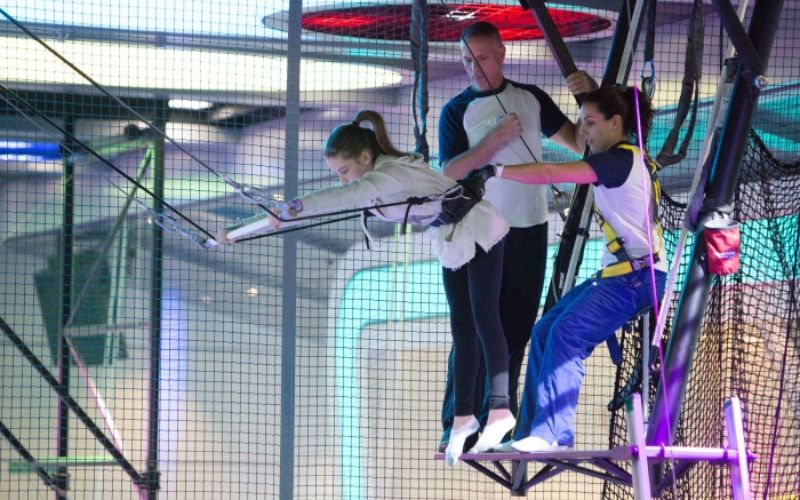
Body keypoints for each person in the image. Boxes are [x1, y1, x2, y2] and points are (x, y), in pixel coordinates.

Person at [217, 110, 515, 466]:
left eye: (344, 172)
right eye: (337, 175)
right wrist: (246, 228)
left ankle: (500, 410)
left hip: (480, 229)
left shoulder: (387, 175)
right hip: (452, 238)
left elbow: (336, 199)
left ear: (364, 158)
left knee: (484, 318)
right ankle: (463, 418)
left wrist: (289, 210)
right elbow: (345, 196)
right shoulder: (378, 179)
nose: (343, 181)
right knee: (463, 330)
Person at [436, 20, 592, 452]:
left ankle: (500, 420)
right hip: (482, 233)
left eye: (482, 58)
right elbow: (449, 171)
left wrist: (588, 96)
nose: (475, 68)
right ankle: (459, 421)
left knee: (517, 327)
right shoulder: (457, 110)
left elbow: (582, 144)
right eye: (467, 60)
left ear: (501, 54)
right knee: (473, 326)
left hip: (529, 227)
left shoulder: (530, 98)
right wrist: (494, 140)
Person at [489, 85, 667, 452]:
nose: (582, 131)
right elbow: (588, 92)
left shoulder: (618, 160)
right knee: (545, 330)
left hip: (638, 279)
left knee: (568, 334)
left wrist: (498, 171)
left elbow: (553, 170)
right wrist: (581, 82)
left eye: (589, 122)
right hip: (621, 275)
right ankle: (531, 433)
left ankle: (555, 432)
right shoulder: (621, 157)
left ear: (615, 122)